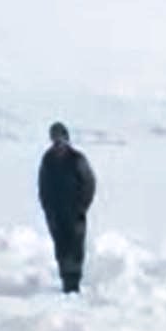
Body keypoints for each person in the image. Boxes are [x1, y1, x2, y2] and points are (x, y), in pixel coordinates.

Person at [37, 122, 97, 294]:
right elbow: (43, 186)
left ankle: (74, 284)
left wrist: (82, 206)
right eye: (54, 138)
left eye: (60, 137)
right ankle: (65, 281)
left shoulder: (77, 159)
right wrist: (47, 208)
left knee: (75, 247)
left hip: (75, 212)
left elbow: (89, 183)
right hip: (55, 214)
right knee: (61, 248)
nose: (57, 142)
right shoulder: (47, 159)